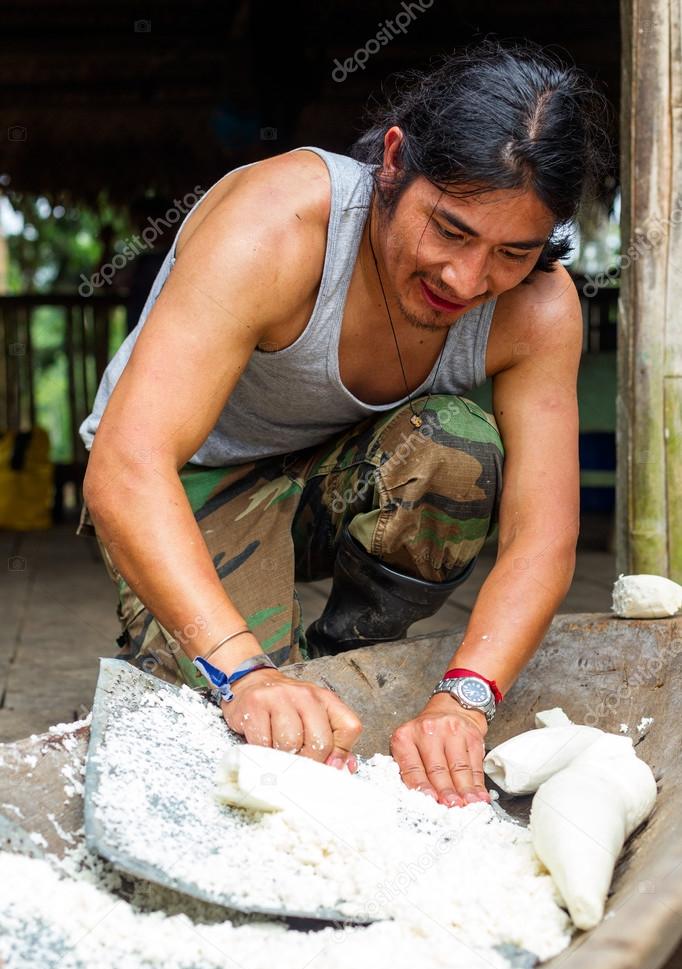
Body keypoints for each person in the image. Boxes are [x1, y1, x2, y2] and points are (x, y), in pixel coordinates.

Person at [78, 42, 609, 810]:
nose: (467, 280)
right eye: (451, 230)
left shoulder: (539, 310)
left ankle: (347, 667)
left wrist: (466, 695)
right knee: (245, 739)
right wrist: (244, 670)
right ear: (394, 161)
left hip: (338, 471)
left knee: (456, 445)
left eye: (513, 252)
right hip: (187, 485)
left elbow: (543, 538)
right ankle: (272, 669)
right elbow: (126, 468)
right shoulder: (277, 223)